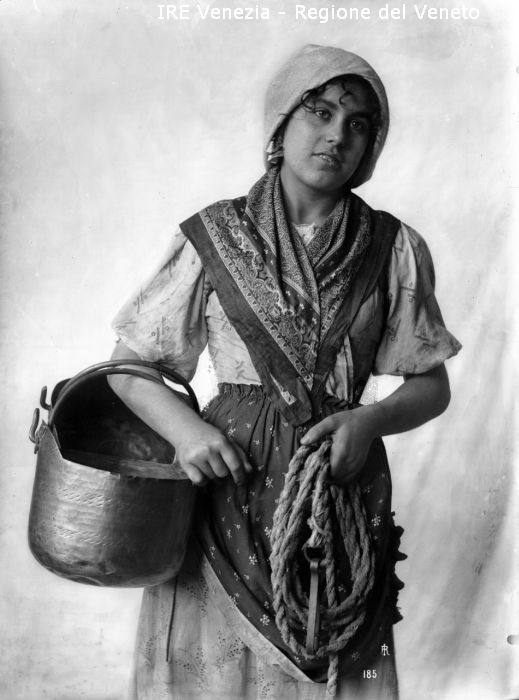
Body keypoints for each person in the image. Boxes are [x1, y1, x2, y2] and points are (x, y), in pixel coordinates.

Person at [109, 44, 461, 700]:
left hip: (338, 484)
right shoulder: (213, 236)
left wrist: (370, 421)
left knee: (334, 653)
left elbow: (430, 385)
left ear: (372, 145)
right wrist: (186, 432)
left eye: (357, 124)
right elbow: (128, 369)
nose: (337, 135)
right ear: (280, 124)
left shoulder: (393, 248)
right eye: (319, 112)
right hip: (225, 484)